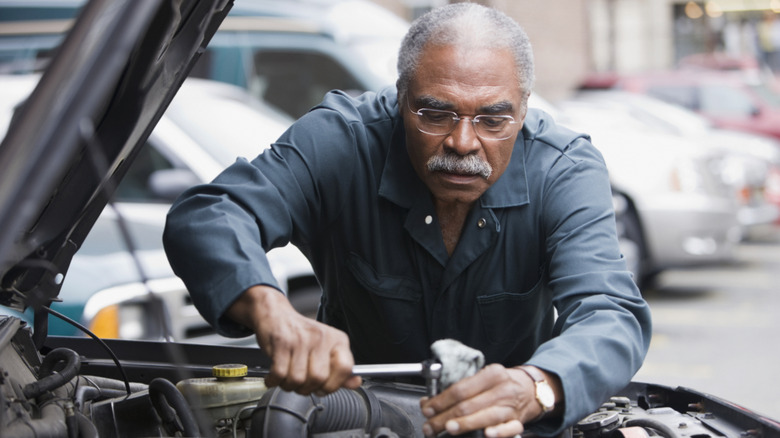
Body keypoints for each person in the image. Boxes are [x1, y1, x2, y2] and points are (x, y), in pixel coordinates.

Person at [163, 3, 652, 437]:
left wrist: (537, 387)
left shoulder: (562, 169)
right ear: (400, 96)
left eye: (492, 119)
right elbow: (209, 214)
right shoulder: (342, 142)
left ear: (524, 108)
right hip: (350, 422)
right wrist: (270, 310)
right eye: (435, 114)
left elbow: (610, 311)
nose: (463, 142)